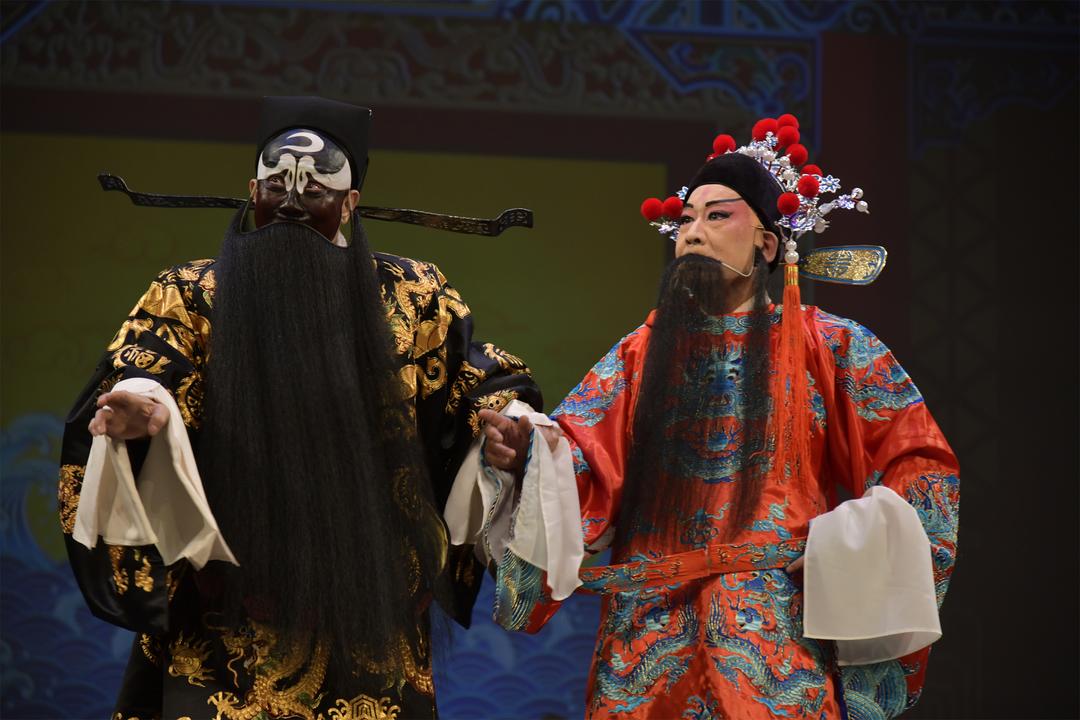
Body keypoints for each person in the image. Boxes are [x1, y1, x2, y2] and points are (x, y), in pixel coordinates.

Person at [58, 95, 541, 720]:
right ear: (251, 190)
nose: (289, 202)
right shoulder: (189, 293)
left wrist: (506, 428)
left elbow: (477, 382)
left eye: (314, 188)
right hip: (223, 606)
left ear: (350, 201)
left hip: (371, 610)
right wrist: (144, 410)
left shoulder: (416, 296)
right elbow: (149, 365)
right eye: (275, 185)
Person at [459, 116, 959, 718]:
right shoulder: (640, 355)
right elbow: (579, 456)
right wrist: (528, 452)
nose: (692, 232)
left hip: (776, 632)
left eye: (717, 216)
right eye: (685, 219)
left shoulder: (832, 346)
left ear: (768, 244)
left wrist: (845, 546)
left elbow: (921, 465)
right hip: (646, 636)